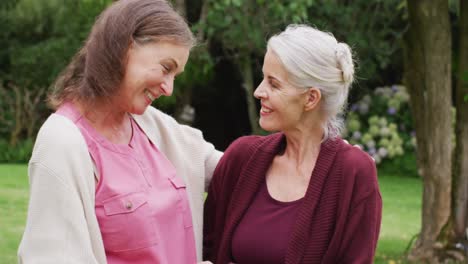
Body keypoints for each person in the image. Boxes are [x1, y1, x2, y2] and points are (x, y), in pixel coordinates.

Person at [17, 0, 222, 263]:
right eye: (166, 68)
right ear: (124, 47)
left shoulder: (152, 124)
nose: (169, 88)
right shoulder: (62, 142)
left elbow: (232, 168)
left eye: (175, 76)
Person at [203, 24, 382, 264]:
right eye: (263, 79)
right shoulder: (241, 158)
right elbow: (202, 248)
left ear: (311, 98)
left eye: (274, 84)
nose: (258, 91)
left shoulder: (353, 173)